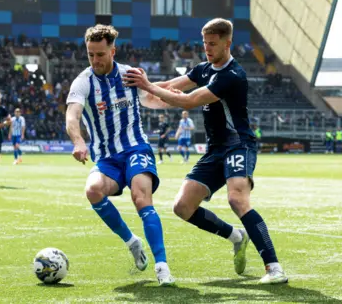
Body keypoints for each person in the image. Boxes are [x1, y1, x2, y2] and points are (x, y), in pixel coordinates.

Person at [124, 18, 287, 284]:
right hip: (214, 150)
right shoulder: (202, 69)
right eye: (205, 43)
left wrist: (147, 87)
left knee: (237, 199)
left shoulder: (232, 76)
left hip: (239, 144)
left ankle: (274, 268)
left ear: (227, 43)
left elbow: (188, 100)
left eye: (213, 44)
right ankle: (236, 237)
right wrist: (137, 90)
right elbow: (169, 87)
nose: (208, 49)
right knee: (182, 207)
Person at [65, 24, 175, 286]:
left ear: (113, 51)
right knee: (92, 191)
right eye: (91, 54)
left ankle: (162, 266)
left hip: (136, 147)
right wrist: (78, 141)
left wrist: (170, 98)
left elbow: (149, 100)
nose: (95, 60)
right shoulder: (83, 82)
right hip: (106, 158)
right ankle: (132, 241)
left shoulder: (130, 75)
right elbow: (72, 115)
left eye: (100, 54)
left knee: (140, 197)